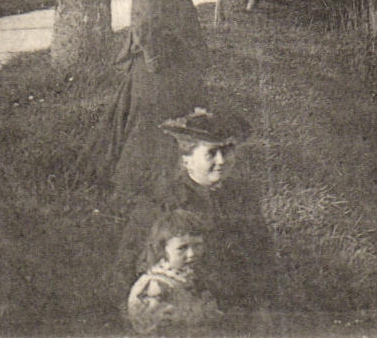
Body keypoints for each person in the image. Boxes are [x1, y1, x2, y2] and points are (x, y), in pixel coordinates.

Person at [117, 109, 277, 330]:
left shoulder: (241, 196)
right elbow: (129, 264)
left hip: (238, 308)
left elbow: (262, 254)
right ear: (186, 159)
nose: (222, 161)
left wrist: (262, 304)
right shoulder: (162, 200)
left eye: (227, 150)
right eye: (212, 153)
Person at [104, 0, 211, 200]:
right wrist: (157, 65)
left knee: (166, 125)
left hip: (165, 65)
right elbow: (145, 28)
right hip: (157, 69)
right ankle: (135, 191)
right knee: (153, 128)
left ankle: (166, 184)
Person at [125, 209, 221, 335]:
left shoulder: (190, 279)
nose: (192, 254)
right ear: (162, 249)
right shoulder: (156, 284)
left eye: (197, 246)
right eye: (182, 248)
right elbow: (153, 329)